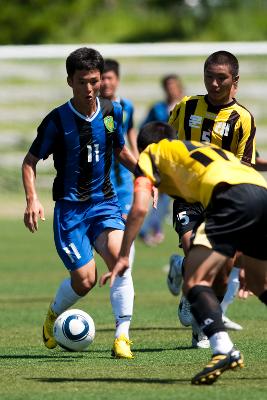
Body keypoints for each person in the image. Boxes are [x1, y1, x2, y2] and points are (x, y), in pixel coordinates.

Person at [101, 121, 267, 385]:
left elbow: (140, 209)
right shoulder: (196, 148)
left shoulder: (151, 154)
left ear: (145, 147)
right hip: (260, 191)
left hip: (230, 198)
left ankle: (223, 349)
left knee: (194, 280)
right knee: (260, 284)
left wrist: (123, 255)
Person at [22, 47, 137, 359]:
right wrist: (33, 200)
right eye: (83, 81)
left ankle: (122, 338)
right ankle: (51, 317)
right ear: (70, 81)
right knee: (85, 280)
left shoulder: (113, 111)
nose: (89, 88)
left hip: (105, 203)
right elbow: (29, 162)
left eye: (95, 81)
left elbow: (122, 150)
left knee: (120, 262)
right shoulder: (56, 121)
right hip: (70, 211)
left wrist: (145, 176)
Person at [167, 50, 256, 345]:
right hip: (188, 194)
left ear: (235, 81)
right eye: (209, 77)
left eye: (222, 78)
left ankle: (197, 321)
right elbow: (167, 145)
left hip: (224, 200)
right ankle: (188, 273)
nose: (214, 84)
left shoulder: (242, 119)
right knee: (195, 250)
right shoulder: (186, 107)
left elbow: (245, 165)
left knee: (223, 268)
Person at [100, 57, 138, 299]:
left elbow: (130, 134)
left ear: (117, 80)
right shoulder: (92, 109)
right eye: (101, 78)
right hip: (100, 186)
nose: (105, 82)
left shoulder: (126, 107)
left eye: (109, 77)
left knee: (125, 236)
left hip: (123, 184)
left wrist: (139, 167)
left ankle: (123, 280)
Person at [139, 75, 184, 246]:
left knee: (170, 195)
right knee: (164, 194)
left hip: (182, 158)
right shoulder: (158, 108)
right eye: (168, 86)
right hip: (163, 157)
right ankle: (150, 228)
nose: (171, 89)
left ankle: (154, 228)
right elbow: (145, 127)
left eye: (173, 85)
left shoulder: (188, 105)